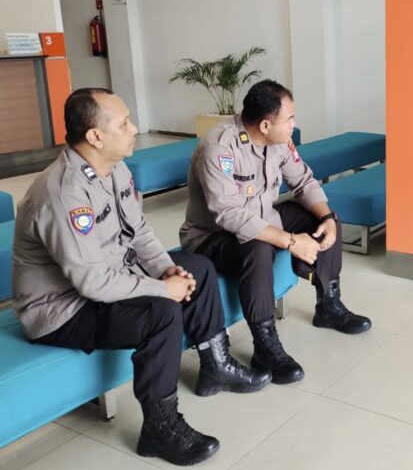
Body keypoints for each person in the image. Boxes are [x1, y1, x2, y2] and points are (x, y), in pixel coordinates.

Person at [12, 88, 271, 467]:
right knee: (159, 312)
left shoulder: (114, 169)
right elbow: (92, 283)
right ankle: (159, 429)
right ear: (95, 136)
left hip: (106, 279)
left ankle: (215, 366)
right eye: (124, 123)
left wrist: (166, 268)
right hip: (61, 310)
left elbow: (139, 233)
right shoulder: (64, 194)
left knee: (197, 267)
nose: (134, 129)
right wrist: (163, 288)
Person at [180, 79, 371, 385]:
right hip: (212, 236)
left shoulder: (279, 141)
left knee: (324, 217)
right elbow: (228, 214)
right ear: (266, 125)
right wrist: (291, 242)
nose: (294, 124)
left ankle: (329, 305)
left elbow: (303, 182)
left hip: (262, 219)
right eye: (289, 119)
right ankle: (265, 345)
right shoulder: (219, 148)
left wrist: (326, 218)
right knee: (257, 248)